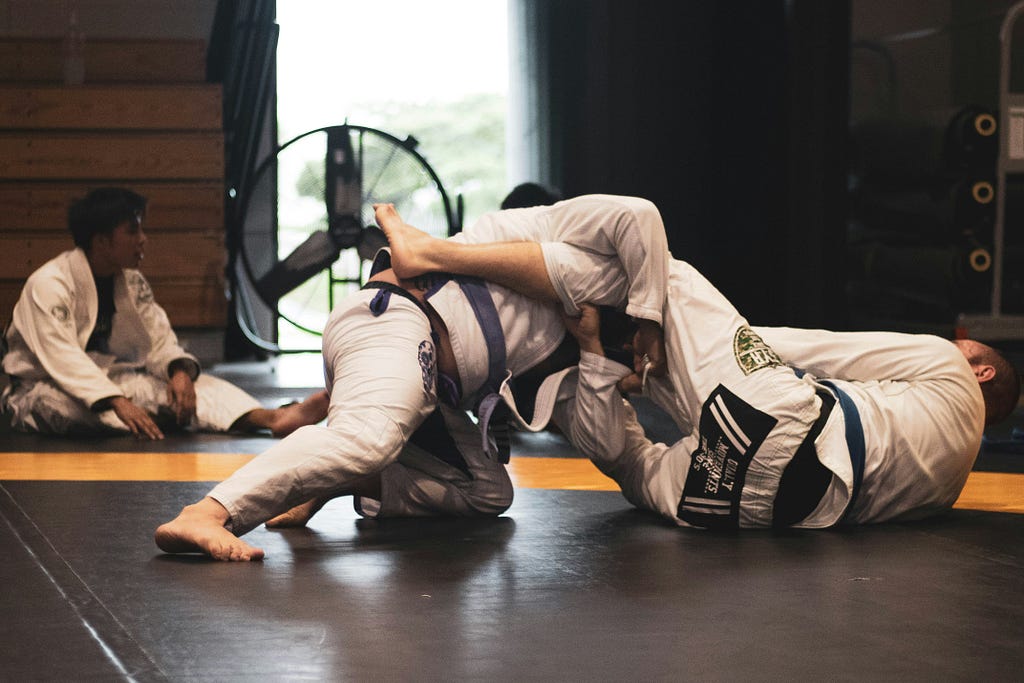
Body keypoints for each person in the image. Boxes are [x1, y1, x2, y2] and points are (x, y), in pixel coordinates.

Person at [379, 210, 1020, 529]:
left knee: (667, 280)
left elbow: (821, 350)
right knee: (632, 467)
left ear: (982, 374)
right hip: (766, 511)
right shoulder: (950, 487)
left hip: (783, 421)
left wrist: (702, 335)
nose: (951, 345)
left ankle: (435, 252)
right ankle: (599, 362)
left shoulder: (946, 366)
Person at [155, 194, 673, 560]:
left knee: (487, 492)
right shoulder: (538, 232)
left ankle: (344, 480)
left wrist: (596, 356)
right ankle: (208, 512)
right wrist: (651, 316)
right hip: (391, 320)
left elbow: (608, 446)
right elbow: (637, 214)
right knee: (370, 436)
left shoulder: (579, 347)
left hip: (424, 382)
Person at [1, 187, 329, 441]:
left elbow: (159, 338)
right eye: (132, 231)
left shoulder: (130, 281)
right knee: (65, 410)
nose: (142, 239)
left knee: (190, 390)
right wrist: (115, 400)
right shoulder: (49, 283)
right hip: (42, 387)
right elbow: (62, 358)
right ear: (101, 241)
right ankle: (156, 417)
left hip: (112, 380)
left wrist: (179, 373)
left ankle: (272, 418)